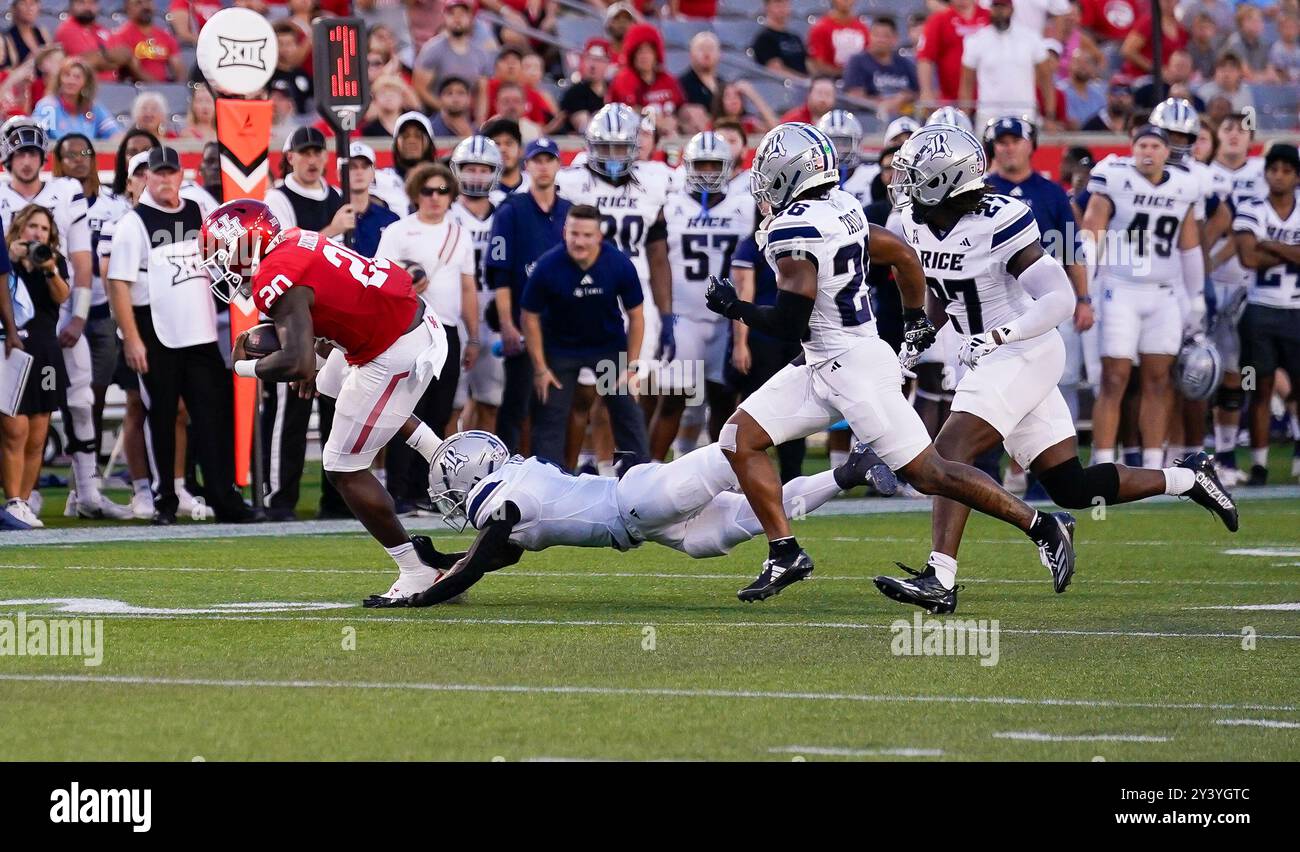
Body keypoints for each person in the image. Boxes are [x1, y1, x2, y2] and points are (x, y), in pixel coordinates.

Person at [703, 123, 1077, 602]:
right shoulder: (842, 207)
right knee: (740, 438)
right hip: (822, 361)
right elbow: (901, 254)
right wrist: (915, 317)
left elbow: (788, 322)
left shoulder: (792, 227)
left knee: (929, 472)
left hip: (855, 368)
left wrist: (734, 308)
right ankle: (784, 552)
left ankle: (1042, 525)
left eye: (769, 171)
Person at [873, 125, 1236, 614]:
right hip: (984, 351)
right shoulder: (912, 220)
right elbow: (941, 289)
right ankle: (1189, 477)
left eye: (917, 175)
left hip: (1024, 347)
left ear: (947, 180)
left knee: (948, 452)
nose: (905, 184)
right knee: (1072, 485)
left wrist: (1003, 335)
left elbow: (1060, 297)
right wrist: (917, 339)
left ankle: (941, 576)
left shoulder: (999, 219)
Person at [201, 197, 452, 604]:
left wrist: (241, 369)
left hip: (394, 345)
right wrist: (312, 359)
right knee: (332, 385)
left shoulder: (273, 276)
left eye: (221, 252)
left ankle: (416, 570)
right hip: (406, 319)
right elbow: (331, 302)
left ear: (245, 243)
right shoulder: (296, 239)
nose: (221, 264)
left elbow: (296, 362)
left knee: (342, 468)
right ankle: (439, 451)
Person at [385, 431, 888, 606]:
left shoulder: (504, 501)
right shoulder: (515, 490)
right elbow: (492, 558)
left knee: (734, 448)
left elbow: (477, 565)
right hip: (651, 526)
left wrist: (422, 596)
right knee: (761, 513)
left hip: (640, 501)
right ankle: (849, 472)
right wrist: (439, 560)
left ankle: (811, 409)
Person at [106, 146, 254, 524]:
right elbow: (118, 284)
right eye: (158, 174)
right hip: (156, 331)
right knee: (162, 416)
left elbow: (224, 262)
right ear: (147, 178)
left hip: (200, 332)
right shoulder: (133, 224)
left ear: (180, 175)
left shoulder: (199, 212)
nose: (166, 180)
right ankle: (164, 499)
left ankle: (224, 496)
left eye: (172, 173)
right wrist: (132, 338)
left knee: (213, 416)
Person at [1082, 125, 1204, 472]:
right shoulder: (1113, 177)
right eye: (1142, 144)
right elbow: (1092, 233)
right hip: (1119, 289)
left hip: (1164, 293)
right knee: (1114, 378)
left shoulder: (1185, 185)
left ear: (1167, 152)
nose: (1148, 151)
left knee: (1158, 380)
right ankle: (1103, 463)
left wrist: (1196, 298)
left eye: (1155, 145)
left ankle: (1153, 467)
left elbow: (1190, 246)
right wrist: (1085, 291)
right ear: (1132, 149)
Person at [260, 126, 357, 520]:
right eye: (305, 152)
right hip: (292, 313)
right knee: (290, 410)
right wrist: (333, 230)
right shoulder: (277, 198)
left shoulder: (336, 197)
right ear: (291, 157)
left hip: (331, 313)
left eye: (319, 152)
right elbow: (284, 254)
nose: (314, 159)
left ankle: (334, 500)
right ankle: (280, 497)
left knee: (337, 405)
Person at [375, 162, 479, 509]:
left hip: (447, 330)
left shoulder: (459, 234)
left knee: (439, 411)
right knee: (405, 410)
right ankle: (398, 490)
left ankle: (425, 490)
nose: (435, 198)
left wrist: (474, 336)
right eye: (428, 191)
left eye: (442, 191)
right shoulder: (398, 231)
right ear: (416, 193)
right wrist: (407, 281)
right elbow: (380, 277)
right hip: (410, 330)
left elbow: (468, 287)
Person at [647, 132, 754, 461]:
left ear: (728, 166)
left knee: (725, 402)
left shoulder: (746, 206)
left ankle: (722, 476)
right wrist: (664, 315)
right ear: (687, 166)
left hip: (727, 320)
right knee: (673, 399)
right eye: (701, 164)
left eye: (714, 164)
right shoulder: (672, 205)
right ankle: (646, 470)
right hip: (685, 317)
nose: (708, 171)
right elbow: (658, 260)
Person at [556, 103, 673, 398]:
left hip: (636, 291)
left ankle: (620, 447)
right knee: (585, 393)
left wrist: (667, 314)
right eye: (605, 147)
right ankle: (588, 448)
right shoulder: (572, 181)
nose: (611, 156)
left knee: (627, 386)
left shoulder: (654, 179)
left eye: (619, 148)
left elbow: (658, 256)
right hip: (586, 289)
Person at [521, 204, 650, 466]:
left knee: (628, 414)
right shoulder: (547, 266)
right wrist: (540, 368)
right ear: (565, 232)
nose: (579, 242)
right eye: (574, 234)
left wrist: (633, 366)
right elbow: (529, 315)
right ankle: (547, 487)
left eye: (587, 235)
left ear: (599, 236)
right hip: (560, 349)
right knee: (550, 418)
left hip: (608, 347)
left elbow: (636, 316)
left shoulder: (619, 264)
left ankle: (639, 484)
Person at [983, 116, 1093, 421]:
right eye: (1001, 142)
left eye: (1014, 141)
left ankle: (1025, 465)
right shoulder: (979, 191)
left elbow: (1072, 250)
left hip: (1040, 298)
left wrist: (1083, 299)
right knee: (992, 379)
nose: (1007, 149)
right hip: (993, 298)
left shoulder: (1051, 192)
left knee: (1039, 378)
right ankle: (991, 460)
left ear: (1030, 145)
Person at [49, 131, 135, 520]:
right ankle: (75, 488)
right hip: (61, 313)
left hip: (102, 313)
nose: (79, 159)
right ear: (59, 161)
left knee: (93, 401)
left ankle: (87, 486)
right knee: (67, 405)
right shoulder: (54, 199)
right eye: (70, 154)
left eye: (85, 152)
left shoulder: (115, 204)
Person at [486, 137, 571, 453]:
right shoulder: (511, 210)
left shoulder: (569, 211)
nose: (544, 166)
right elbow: (501, 272)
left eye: (549, 160)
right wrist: (507, 323)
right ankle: (506, 477)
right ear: (527, 165)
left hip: (560, 326)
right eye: (538, 160)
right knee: (517, 405)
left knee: (554, 408)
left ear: (558, 164)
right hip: (523, 324)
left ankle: (552, 477)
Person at [1233, 144, 1300, 486]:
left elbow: (1259, 250)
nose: (1279, 175)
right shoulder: (1252, 208)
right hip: (1260, 307)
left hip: (1296, 308)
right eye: (1274, 169)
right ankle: (1259, 464)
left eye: (1287, 170)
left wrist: (1270, 244)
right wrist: (1292, 251)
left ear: (1296, 176)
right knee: (1260, 388)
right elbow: (1248, 258)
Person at [1, 204, 70, 527]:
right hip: (12, 350)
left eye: (43, 229)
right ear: (19, 229)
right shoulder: (6, 260)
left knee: (39, 433)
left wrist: (50, 268)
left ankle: (24, 501)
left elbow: (62, 297)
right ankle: (12, 499)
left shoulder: (54, 262)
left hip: (45, 354)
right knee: (15, 429)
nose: (37, 234)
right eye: (32, 227)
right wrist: (11, 259)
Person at [1208, 108, 1265, 483]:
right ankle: (1207, 450)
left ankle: (1231, 453)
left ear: (1250, 137)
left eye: (1241, 130)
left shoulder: (1262, 173)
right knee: (1204, 371)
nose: (1233, 135)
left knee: (1245, 371)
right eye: (1226, 128)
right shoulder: (1204, 174)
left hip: (1252, 282)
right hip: (1207, 283)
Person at [449, 135, 505, 433]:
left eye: (484, 169)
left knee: (491, 402)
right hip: (456, 314)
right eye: (470, 168)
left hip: (496, 316)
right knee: (452, 404)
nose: (476, 175)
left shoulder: (507, 212)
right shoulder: (446, 214)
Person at [959, 0, 1057, 131]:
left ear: (1011, 9)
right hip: (989, 116)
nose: (999, 11)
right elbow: (966, 84)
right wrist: (964, 121)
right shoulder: (976, 40)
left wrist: (1050, 116)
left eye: (1003, 7)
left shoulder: (1031, 38)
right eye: (996, 7)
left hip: (1024, 114)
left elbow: (1046, 80)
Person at [411, 0, 494, 114]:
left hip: (467, 119)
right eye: (452, 13)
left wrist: (478, 126)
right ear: (444, 16)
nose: (457, 18)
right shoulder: (432, 49)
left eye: (462, 14)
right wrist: (448, 111)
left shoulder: (480, 53)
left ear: (471, 17)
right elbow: (420, 89)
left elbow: (482, 93)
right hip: (437, 118)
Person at [916, 0, 990, 107]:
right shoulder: (939, 20)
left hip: (988, 101)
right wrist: (926, 91)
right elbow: (925, 58)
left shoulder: (990, 17)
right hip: (951, 101)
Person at [843, 15, 919, 116]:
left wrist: (902, 98)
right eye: (876, 35)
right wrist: (889, 104)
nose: (880, 40)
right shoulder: (857, 62)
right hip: (868, 118)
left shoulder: (905, 64)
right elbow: (854, 97)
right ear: (869, 36)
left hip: (903, 118)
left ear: (895, 39)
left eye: (886, 36)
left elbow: (917, 93)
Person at [32, 57, 119, 140]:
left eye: (77, 77)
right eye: (67, 75)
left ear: (86, 82)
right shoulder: (47, 106)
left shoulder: (94, 108)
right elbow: (35, 137)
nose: (71, 81)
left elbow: (116, 135)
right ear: (59, 80)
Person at [375, 112, 435, 216]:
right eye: (405, 136)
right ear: (396, 143)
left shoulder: (442, 181)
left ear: (429, 143)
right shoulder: (380, 178)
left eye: (418, 135)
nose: (411, 140)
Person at [110, 0, 184, 83]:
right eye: (138, 3)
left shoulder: (166, 36)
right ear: (128, 9)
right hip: (136, 88)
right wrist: (158, 87)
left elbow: (178, 69)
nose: (145, 6)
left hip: (163, 88)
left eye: (148, 2)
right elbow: (134, 70)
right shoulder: (121, 36)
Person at [550, 39, 610, 135]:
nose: (593, 65)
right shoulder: (575, 92)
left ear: (608, 63)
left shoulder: (613, 89)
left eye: (598, 60)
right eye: (589, 59)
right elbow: (585, 128)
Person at [817, 109, 876, 207]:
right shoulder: (813, 177)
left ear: (856, 143)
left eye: (844, 143)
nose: (838, 149)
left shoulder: (871, 174)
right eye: (833, 143)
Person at [807, 0, 872, 78]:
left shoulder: (863, 29)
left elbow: (870, 59)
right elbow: (817, 64)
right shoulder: (820, 28)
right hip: (830, 81)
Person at [751, 0, 809, 78]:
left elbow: (807, 64)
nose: (782, 8)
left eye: (785, 3)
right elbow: (776, 71)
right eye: (778, 4)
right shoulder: (764, 39)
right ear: (767, 7)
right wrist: (804, 82)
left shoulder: (795, 38)